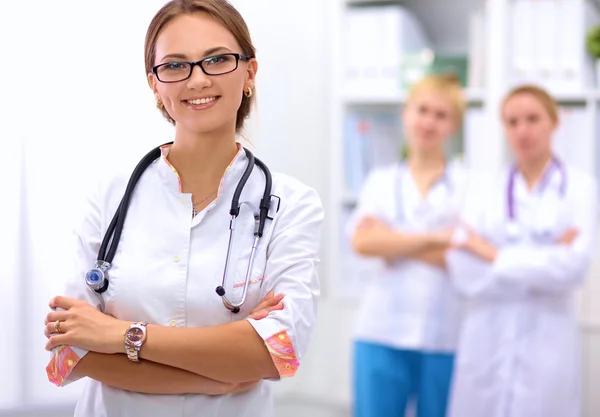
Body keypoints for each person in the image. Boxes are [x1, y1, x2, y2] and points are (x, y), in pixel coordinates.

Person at [43, 1, 324, 416]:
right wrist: (227, 370)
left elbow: (275, 352)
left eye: (217, 59)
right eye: (175, 66)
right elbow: (67, 355)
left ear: (249, 73)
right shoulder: (109, 197)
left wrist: (119, 335)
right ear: (155, 84)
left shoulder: (292, 205)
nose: (197, 79)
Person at [446, 85, 598, 417]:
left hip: (549, 342)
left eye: (532, 119)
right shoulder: (483, 188)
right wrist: (543, 260)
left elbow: (573, 268)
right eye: (512, 122)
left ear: (554, 123)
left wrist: (491, 253)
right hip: (486, 335)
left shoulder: (582, 188)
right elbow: (461, 269)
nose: (522, 130)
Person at [348, 74, 468, 417]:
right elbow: (363, 242)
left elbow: (465, 256)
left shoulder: (470, 186)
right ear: (406, 113)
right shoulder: (379, 181)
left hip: (445, 335)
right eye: (422, 110)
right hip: (380, 331)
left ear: (454, 125)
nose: (429, 122)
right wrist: (436, 238)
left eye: (441, 115)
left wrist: (393, 240)